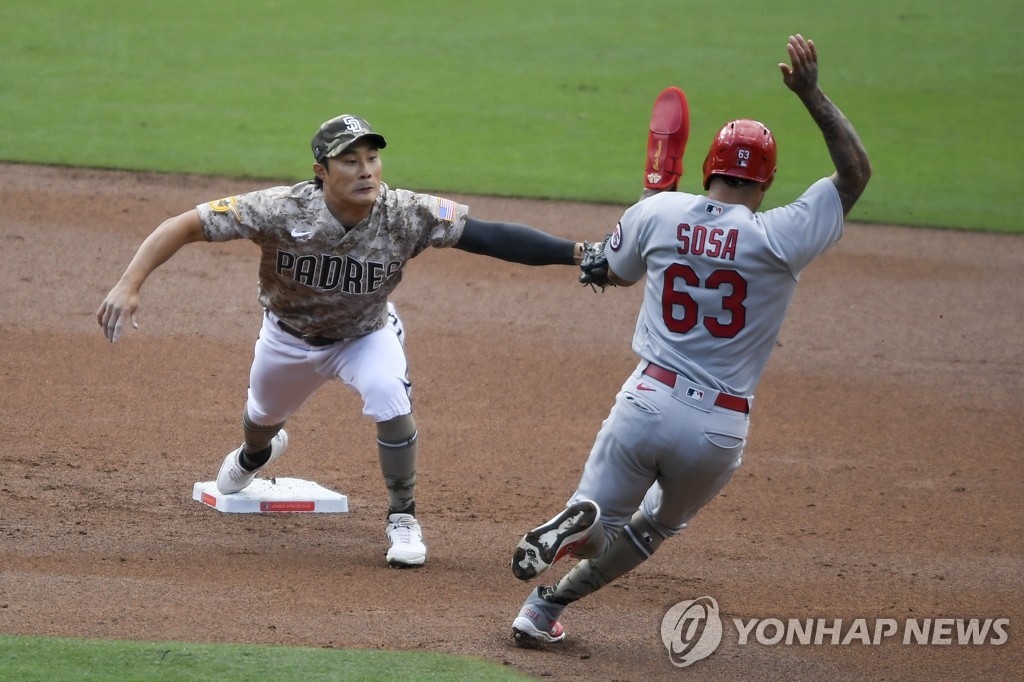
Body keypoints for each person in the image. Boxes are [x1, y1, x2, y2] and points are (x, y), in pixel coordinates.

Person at [97, 113, 588, 569]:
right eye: (350, 161)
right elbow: (186, 225)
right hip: (287, 338)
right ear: (321, 170)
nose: (366, 170)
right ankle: (254, 457)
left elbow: (490, 236)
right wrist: (129, 283)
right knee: (261, 420)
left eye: (372, 158)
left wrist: (577, 253)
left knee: (388, 394)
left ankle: (403, 517)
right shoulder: (278, 208)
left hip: (364, 335)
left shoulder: (404, 213)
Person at [509, 34, 872, 645]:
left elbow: (608, 270)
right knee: (649, 531)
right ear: (765, 183)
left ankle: (576, 534)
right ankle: (546, 610)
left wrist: (641, 217)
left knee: (602, 517)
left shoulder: (659, 213)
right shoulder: (780, 237)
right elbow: (854, 173)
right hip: (717, 430)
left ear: (709, 168)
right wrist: (810, 94)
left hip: (646, 401)